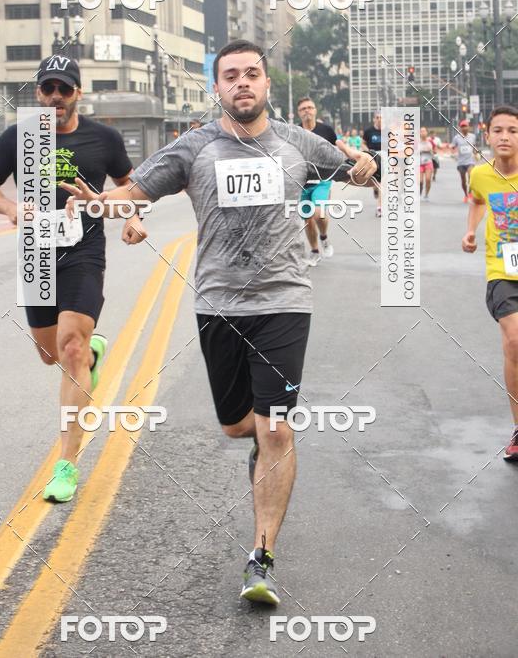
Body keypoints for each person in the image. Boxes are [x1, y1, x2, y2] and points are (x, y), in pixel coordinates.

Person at [62, 39, 380, 605]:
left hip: (284, 303)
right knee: (240, 427)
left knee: (276, 427)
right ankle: (256, 445)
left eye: (251, 74)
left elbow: (352, 174)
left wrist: (367, 165)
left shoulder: (296, 141)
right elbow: (134, 193)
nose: (242, 83)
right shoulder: (194, 146)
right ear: (217, 88)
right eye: (230, 75)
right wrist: (100, 203)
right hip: (218, 306)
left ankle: (261, 555)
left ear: (264, 83)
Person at [0, 55, 135, 503]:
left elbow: (131, 185)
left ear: (78, 93)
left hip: (83, 252)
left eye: (65, 89)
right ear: (39, 93)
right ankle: (91, 355)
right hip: (37, 254)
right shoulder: (21, 136)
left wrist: (128, 214)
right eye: (48, 89)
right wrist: (10, 209)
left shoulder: (103, 138)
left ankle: (65, 465)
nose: (56, 98)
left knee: (71, 347)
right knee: (50, 355)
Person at [462, 106, 518, 461]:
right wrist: (470, 230)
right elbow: (478, 202)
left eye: (512, 130)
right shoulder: (479, 175)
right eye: (498, 130)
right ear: (488, 135)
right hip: (501, 270)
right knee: (514, 343)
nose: (505, 137)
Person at [297, 96, 337, 264]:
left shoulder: (326, 130)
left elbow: (337, 149)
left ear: (315, 111)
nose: (307, 111)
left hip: (323, 180)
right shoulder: (294, 132)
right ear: (299, 113)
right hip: (302, 182)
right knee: (307, 219)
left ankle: (324, 237)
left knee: (319, 214)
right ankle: (314, 251)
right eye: (303, 108)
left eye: (310, 107)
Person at [452, 119, 478, 202]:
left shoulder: (472, 136)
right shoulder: (456, 138)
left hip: (470, 161)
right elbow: (453, 147)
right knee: (463, 180)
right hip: (461, 162)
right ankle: (466, 195)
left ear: (468, 127)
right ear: (460, 128)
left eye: (465, 126)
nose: (464, 128)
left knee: (471, 177)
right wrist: (453, 153)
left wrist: (476, 152)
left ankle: (470, 192)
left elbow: (474, 147)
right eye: (462, 126)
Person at [363, 112, 382, 216]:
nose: (379, 119)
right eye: (377, 117)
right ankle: (375, 189)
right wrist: (368, 152)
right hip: (373, 158)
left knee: (382, 183)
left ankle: (379, 208)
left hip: (385, 159)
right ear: (374, 119)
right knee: (376, 183)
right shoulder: (369, 131)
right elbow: (363, 143)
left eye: (381, 118)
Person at [419, 127, 435, 200]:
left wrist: (431, 151)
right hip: (419, 163)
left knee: (428, 179)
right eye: (421, 131)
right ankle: (420, 192)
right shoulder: (416, 142)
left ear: (427, 133)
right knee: (420, 181)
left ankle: (426, 194)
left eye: (424, 131)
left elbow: (435, 152)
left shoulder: (430, 142)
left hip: (428, 162)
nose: (423, 133)